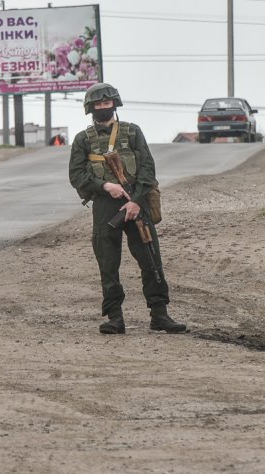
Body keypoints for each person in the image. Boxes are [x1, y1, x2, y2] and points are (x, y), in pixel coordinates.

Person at [68, 83, 187, 335]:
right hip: (105, 206)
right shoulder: (82, 140)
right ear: (91, 108)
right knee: (108, 264)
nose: (103, 108)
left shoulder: (132, 132)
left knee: (151, 260)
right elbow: (77, 176)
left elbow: (147, 169)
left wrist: (136, 201)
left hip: (136, 203)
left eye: (107, 103)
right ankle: (114, 317)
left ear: (115, 104)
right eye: (98, 104)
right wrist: (104, 186)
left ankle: (160, 314)